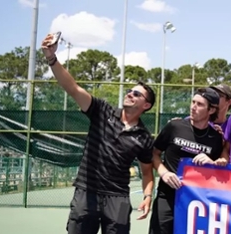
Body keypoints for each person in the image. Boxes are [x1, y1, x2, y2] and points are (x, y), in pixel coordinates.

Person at [41, 33, 155, 234]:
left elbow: (147, 172)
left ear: (146, 105)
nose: (130, 94)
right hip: (87, 192)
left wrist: (147, 196)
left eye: (136, 94)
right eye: (130, 90)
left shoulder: (144, 137)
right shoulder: (102, 110)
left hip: (117, 197)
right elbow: (74, 89)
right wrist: (52, 58)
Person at [148, 88, 224, 234]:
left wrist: (211, 163)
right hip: (167, 196)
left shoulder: (215, 138)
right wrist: (163, 173)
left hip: (196, 201)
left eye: (199, 104)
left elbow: (218, 174)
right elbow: (154, 153)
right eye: (193, 102)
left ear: (211, 110)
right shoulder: (174, 126)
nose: (193, 107)